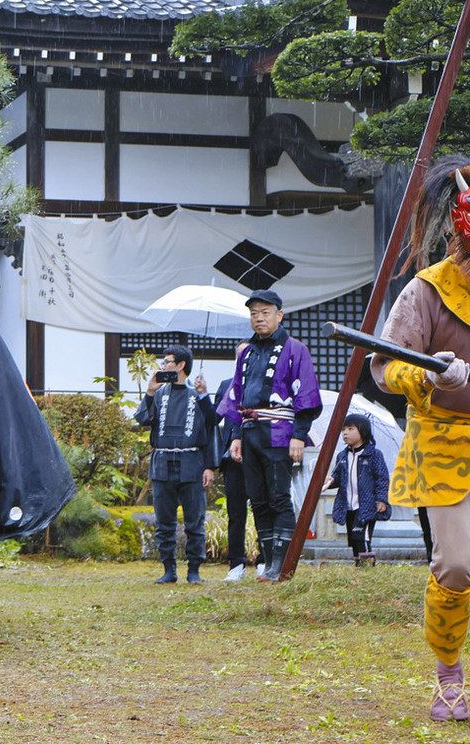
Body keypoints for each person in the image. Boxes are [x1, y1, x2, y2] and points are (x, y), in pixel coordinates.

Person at [370, 156, 470, 722]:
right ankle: (448, 674)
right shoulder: (427, 291)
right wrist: (430, 376)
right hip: (443, 440)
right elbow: (384, 367)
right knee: (455, 565)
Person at [217, 289, 322, 583]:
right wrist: (236, 435)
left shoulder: (295, 349)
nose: (259, 318)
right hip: (250, 431)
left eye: (265, 312)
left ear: (280, 315)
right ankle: (268, 565)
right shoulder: (246, 353)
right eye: (254, 313)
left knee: (278, 497)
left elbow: (306, 392)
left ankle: (281, 565)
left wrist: (299, 434)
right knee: (258, 499)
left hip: (280, 432)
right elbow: (237, 395)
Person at [135, 345, 219, 585]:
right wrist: (149, 392)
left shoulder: (198, 394)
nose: (163, 366)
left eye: (167, 362)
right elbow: (142, 419)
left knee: (195, 521)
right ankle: (168, 569)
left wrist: (209, 466)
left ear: (181, 365)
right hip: (162, 462)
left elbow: (212, 426)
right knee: (164, 521)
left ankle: (194, 570)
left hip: (191, 462)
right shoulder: (159, 393)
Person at [215, 341, 262, 581]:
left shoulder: (263, 384)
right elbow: (214, 419)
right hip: (231, 458)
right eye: (240, 355)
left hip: (258, 454)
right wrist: (202, 395)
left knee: (262, 508)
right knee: (235, 512)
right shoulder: (226, 385)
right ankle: (236, 564)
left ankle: (264, 560)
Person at [322, 414, 391, 566]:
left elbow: (382, 478)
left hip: (366, 505)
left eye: (350, 429)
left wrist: (381, 499)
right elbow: (338, 477)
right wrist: (330, 481)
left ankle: (367, 568)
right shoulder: (342, 456)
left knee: (361, 535)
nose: (345, 433)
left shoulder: (374, 455)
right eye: (343, 430)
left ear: (363, 431)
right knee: (353, 538)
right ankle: (358, 565)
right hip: (348, 505)